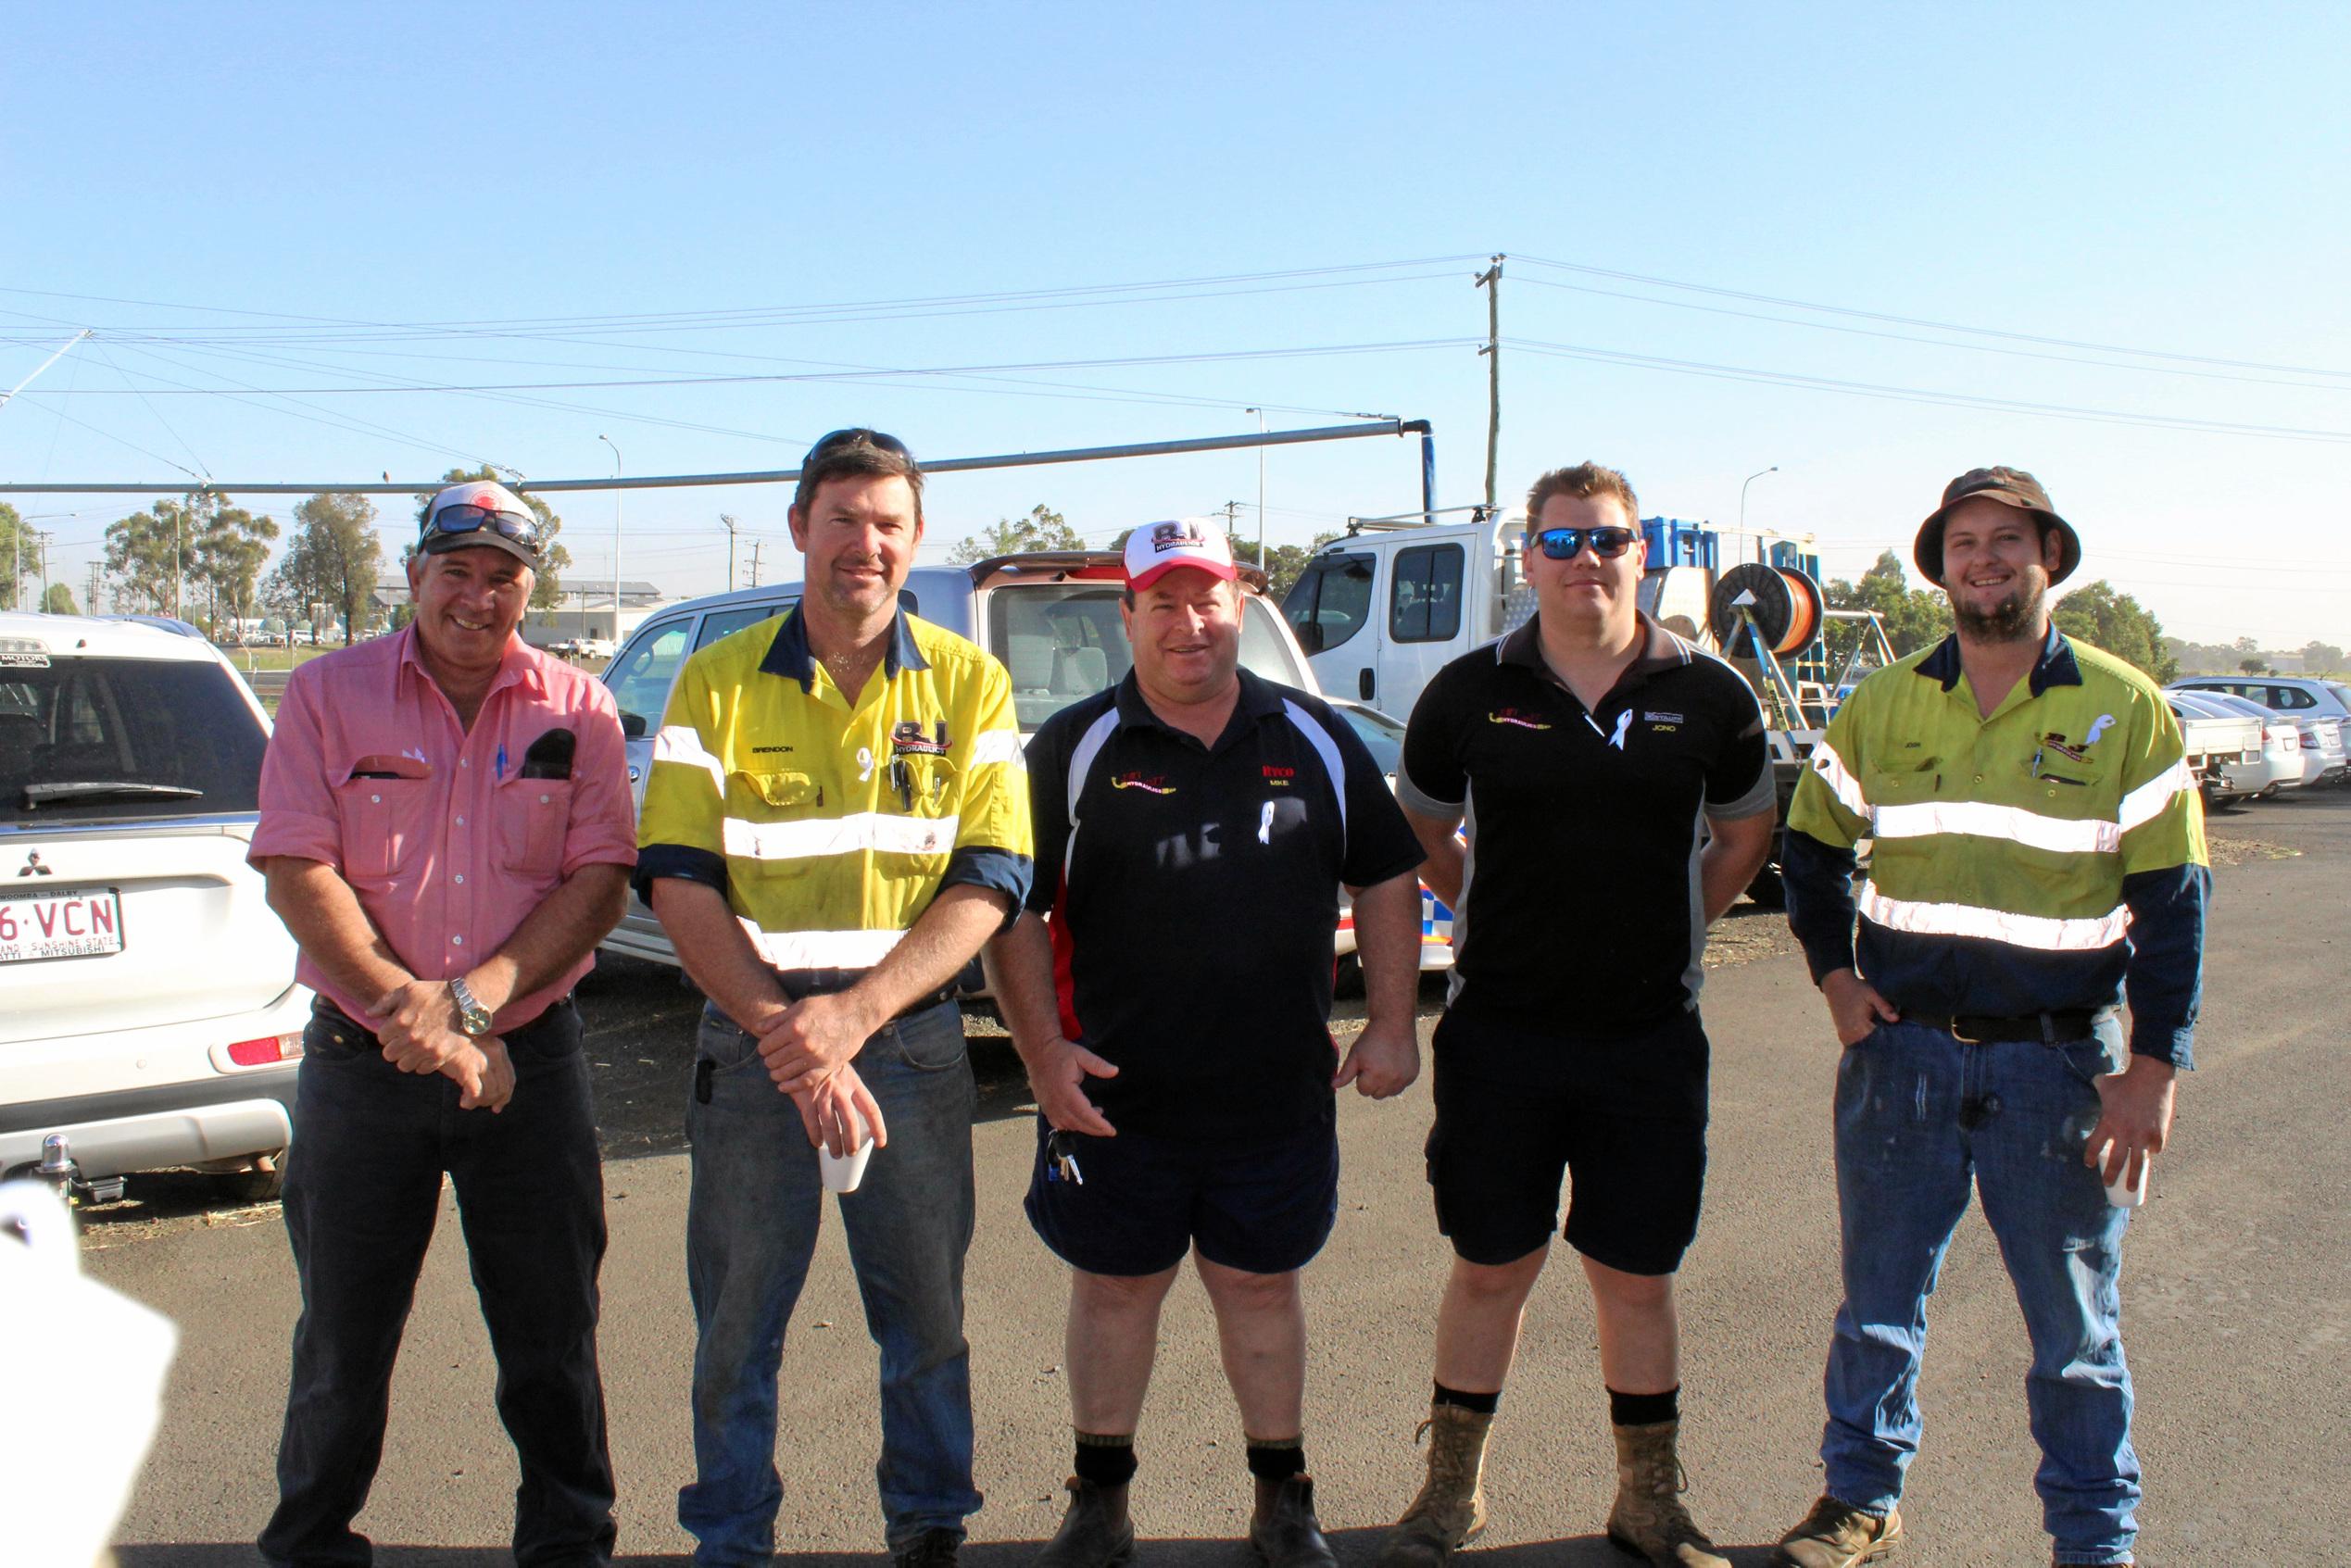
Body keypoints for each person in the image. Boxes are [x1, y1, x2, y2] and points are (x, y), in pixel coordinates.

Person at [1771, 468, 2206, 1568]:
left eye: (2007, 538)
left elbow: (2176, 903)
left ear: (2048, 557)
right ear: (1942, 567)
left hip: (2060, 1071)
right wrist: (1833, 977)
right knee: (1876, 1306)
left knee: (2074, 1336)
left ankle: (2093, 1539)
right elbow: (1811, 848)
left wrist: (2152, 1068)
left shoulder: (2124, 706)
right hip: (1899, 1057)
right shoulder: (1885, 703)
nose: (1985, 558)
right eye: (1963, 541)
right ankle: (1859, 1500)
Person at [987, 519, 1427, 1568]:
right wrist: (1044, 1058)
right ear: (1127, 614)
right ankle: (1100, 1499)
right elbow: (1008, 909)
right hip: (1112, 1097)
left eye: (1209, 600)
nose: (1191, 625)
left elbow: (1387, 872)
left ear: (1240, 606)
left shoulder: (1313, 736)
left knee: (1262, 1289)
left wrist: (1397, 1022)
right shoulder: (1075, 747)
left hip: (1274, 1093)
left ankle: (1283, 1497)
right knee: (1114, 1291)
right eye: (1165, 602)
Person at [635, 429, 1033, 1568]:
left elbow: (993, 877)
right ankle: (731, 1537)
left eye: (889, 523)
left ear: (915, 540)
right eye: (844, 518)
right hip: (755, 1051)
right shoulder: (716, 678)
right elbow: (676, 872)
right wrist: (785, 1031)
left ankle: (927, 1526)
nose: (866, 543)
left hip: (906, 1051)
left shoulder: (969, 681)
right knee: (736, 1329)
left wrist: (850, 1020)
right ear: (800, 525)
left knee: (926, 1324)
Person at [1382, 462, 1776, 1568]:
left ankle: (1648, 1502)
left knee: (1636, 1274)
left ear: (1640, 554)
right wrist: (1482, 903)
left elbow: (1744, 837)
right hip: (1501, 1033)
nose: (1584, 561)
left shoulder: (1712, 696)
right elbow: (1419, 823)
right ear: (1530, 558)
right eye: (1560, 543)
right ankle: (1449, 1494)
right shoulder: (1468, 691)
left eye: (1606, 540)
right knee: (1491, 1264)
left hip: (1649, 1038)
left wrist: (1675, 924)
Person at [250, 478, 638, 1567]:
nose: (478, 596)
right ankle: (310, 1545)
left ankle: (570, 1544)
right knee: (343, 1342)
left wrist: (468, 1009)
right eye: (456, 571)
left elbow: (600, 878)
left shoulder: (579, 707)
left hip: (531, 1065)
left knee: (552, 1340)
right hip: (361, 1063)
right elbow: (295, 866)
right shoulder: (328, 695)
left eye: (503, 576)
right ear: (416, 574)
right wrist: (407, 1013)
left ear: (530, 587)